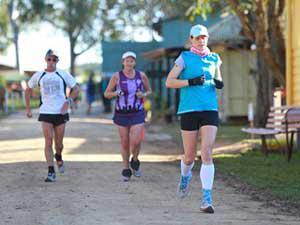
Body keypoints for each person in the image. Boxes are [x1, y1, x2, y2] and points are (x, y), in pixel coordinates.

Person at [166, 24, 224, 213]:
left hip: (209, 109)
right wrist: (190, 82)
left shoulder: (215, 58)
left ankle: (206, 198)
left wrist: (219, 82)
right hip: (189, 110)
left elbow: (218, 79)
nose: (201, 40)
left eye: (204, 37)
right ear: (191, 39)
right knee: (189, 156)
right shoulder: (184, 58)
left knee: (206, 152)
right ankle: (185, 177)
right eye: (197, 37)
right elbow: (169, 81)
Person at [25, 49, 79, 182]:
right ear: (45, 60)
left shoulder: (62, 74)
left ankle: (59, 156)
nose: (51, 62)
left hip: (61, 112)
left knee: (58, 144)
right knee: (48, 141)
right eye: (49, 59)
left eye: (54, 59)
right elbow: (28, 90)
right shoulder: (40, 75)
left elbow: (76, 88)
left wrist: (68, 101)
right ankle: (51, 171)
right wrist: (28, 109)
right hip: (46, 112)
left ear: (57, 61)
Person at [104, 51, 152, 181]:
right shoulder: (116, 76)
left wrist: (143, 94)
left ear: (134, 62)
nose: (129, 63)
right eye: (127, 60)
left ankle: (135, 160)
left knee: (136, 140)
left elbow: (149, 90)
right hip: (121, 113)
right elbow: (106, 93)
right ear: (123, 62)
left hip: (137, 112)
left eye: (132, 61)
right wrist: (115, 93)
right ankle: (126, 169)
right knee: (125, 142)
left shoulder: (141, 75)